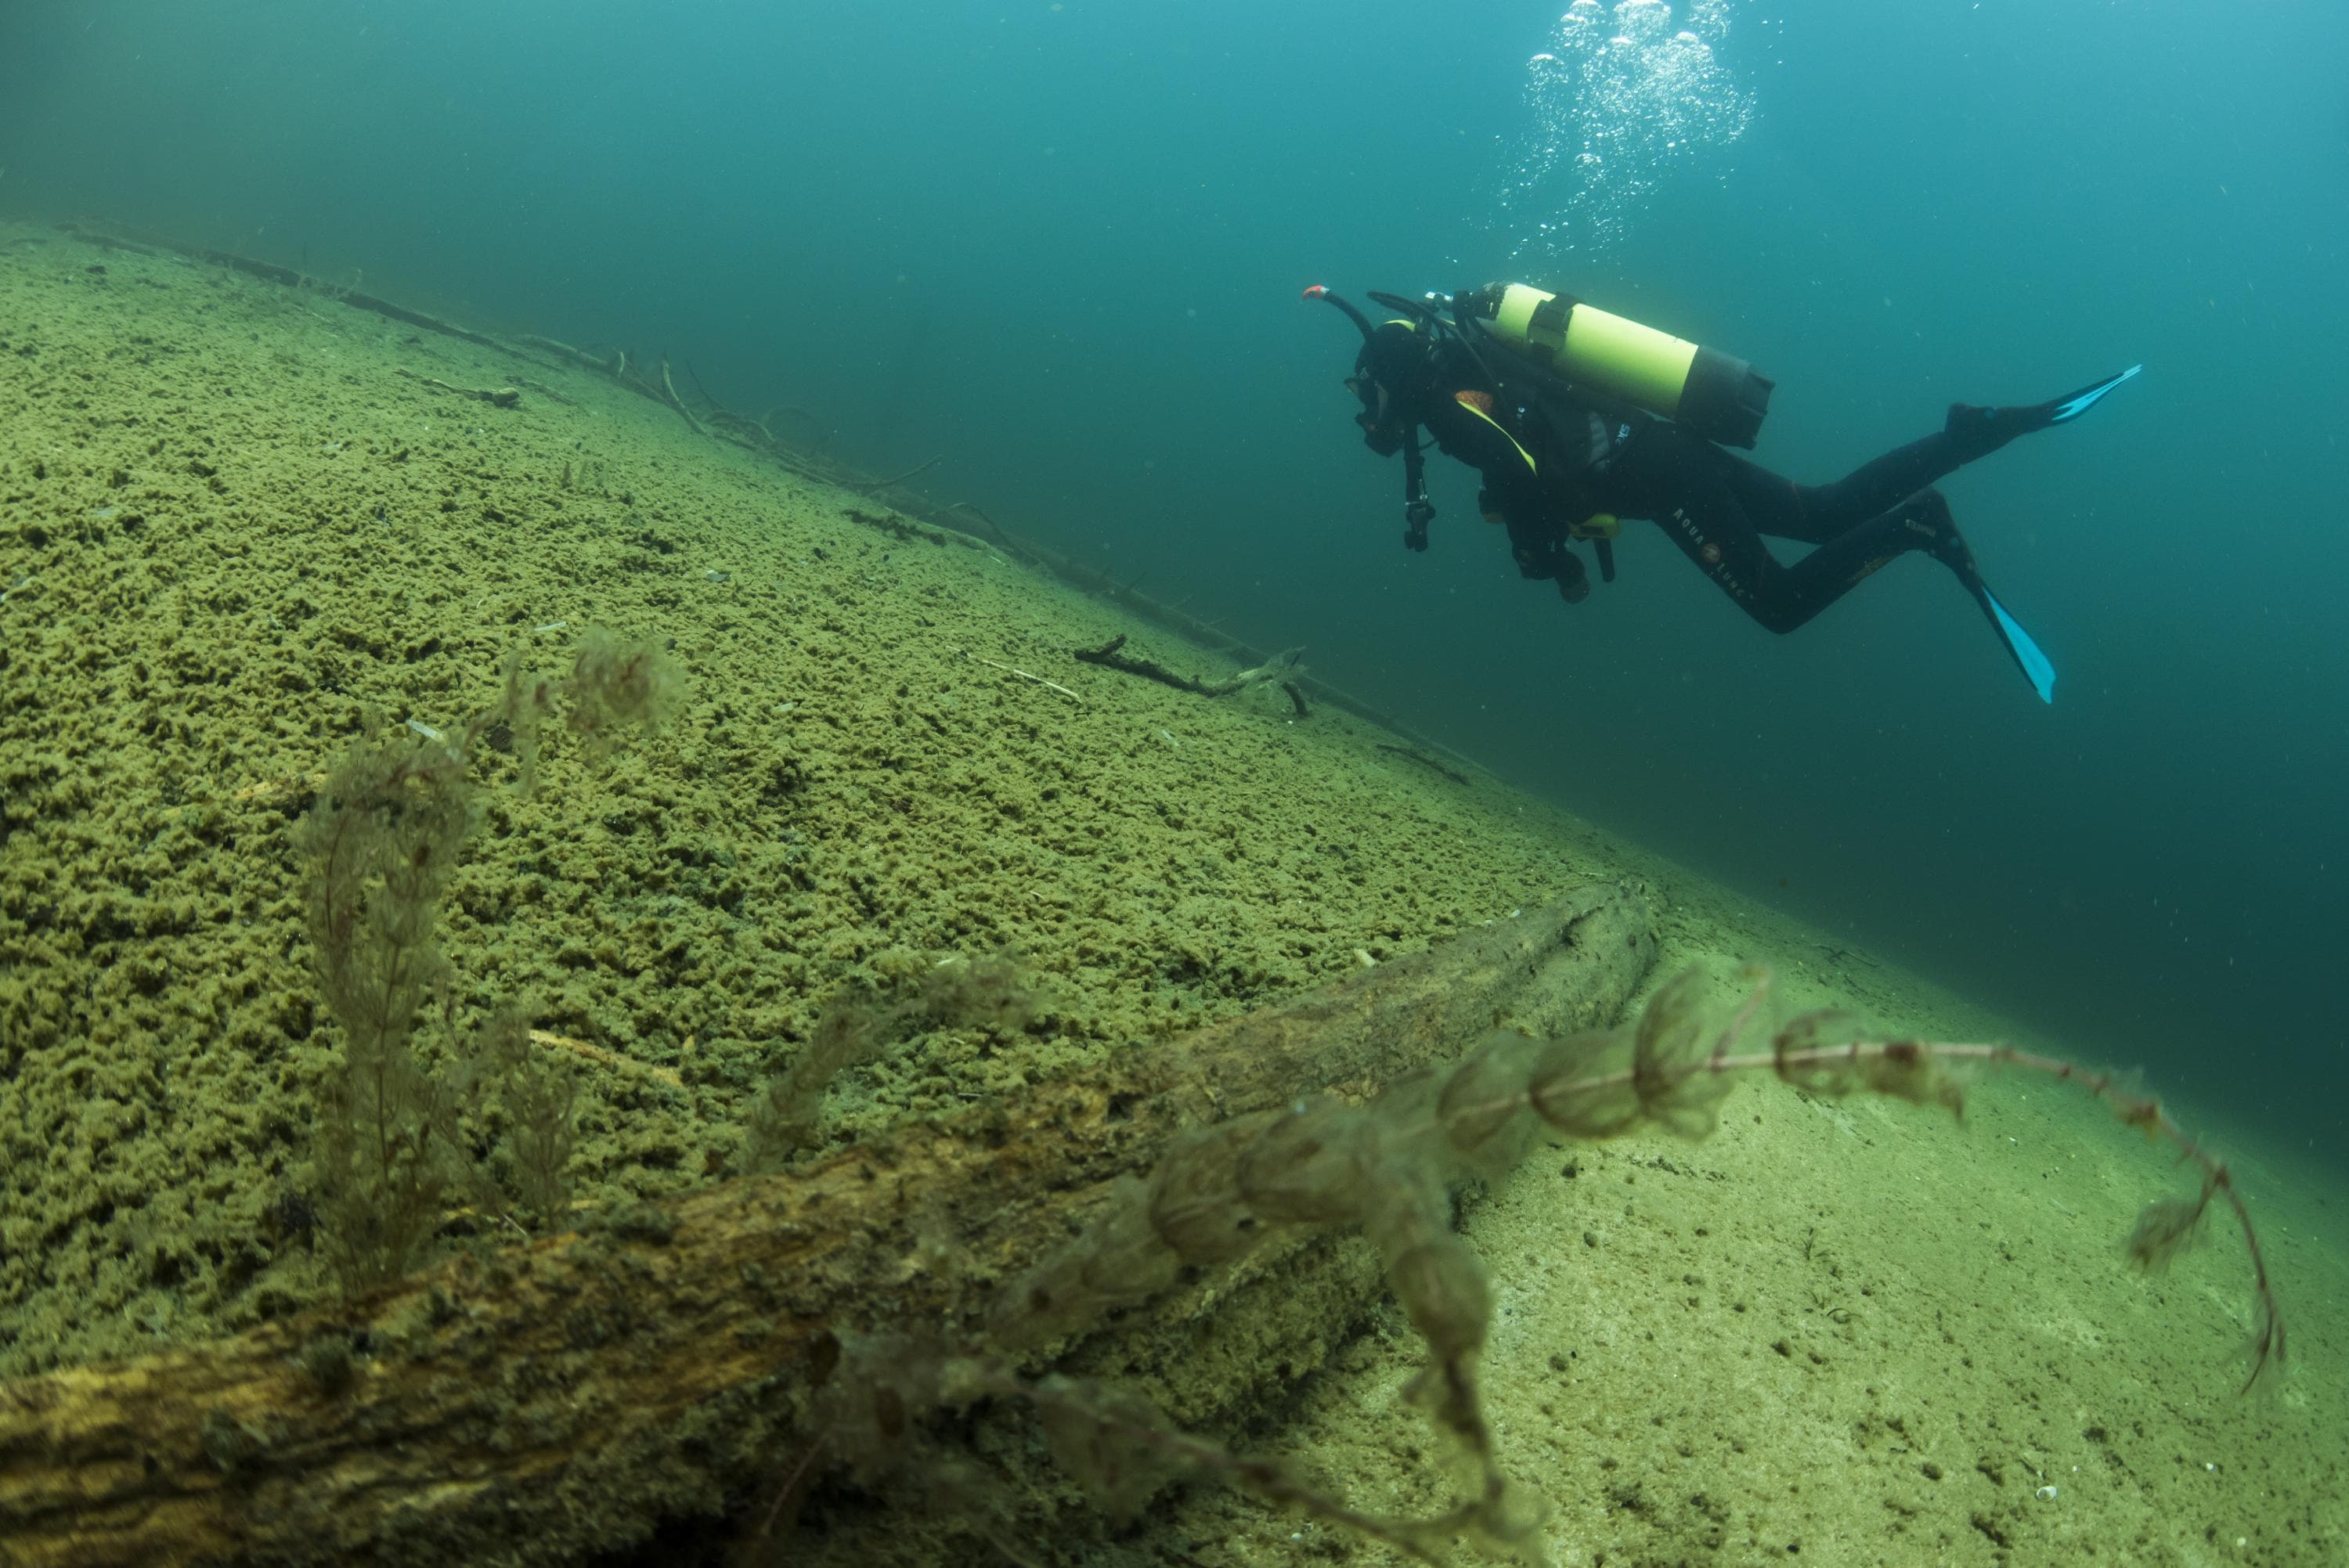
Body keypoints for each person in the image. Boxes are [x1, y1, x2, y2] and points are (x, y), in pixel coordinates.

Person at [1308, 282, 2141, 702]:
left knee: (1778, 604)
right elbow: (1523, 460)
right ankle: (1968, 435)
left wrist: (1545, 552)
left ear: (1388, 375)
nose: (1368, 413)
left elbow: (1522, 471)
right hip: (1667, 447)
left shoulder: (1444, 404)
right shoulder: (1473, 367)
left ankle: (1919, 526)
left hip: (1658, 475)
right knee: (1823, 511)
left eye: (1363, 392)